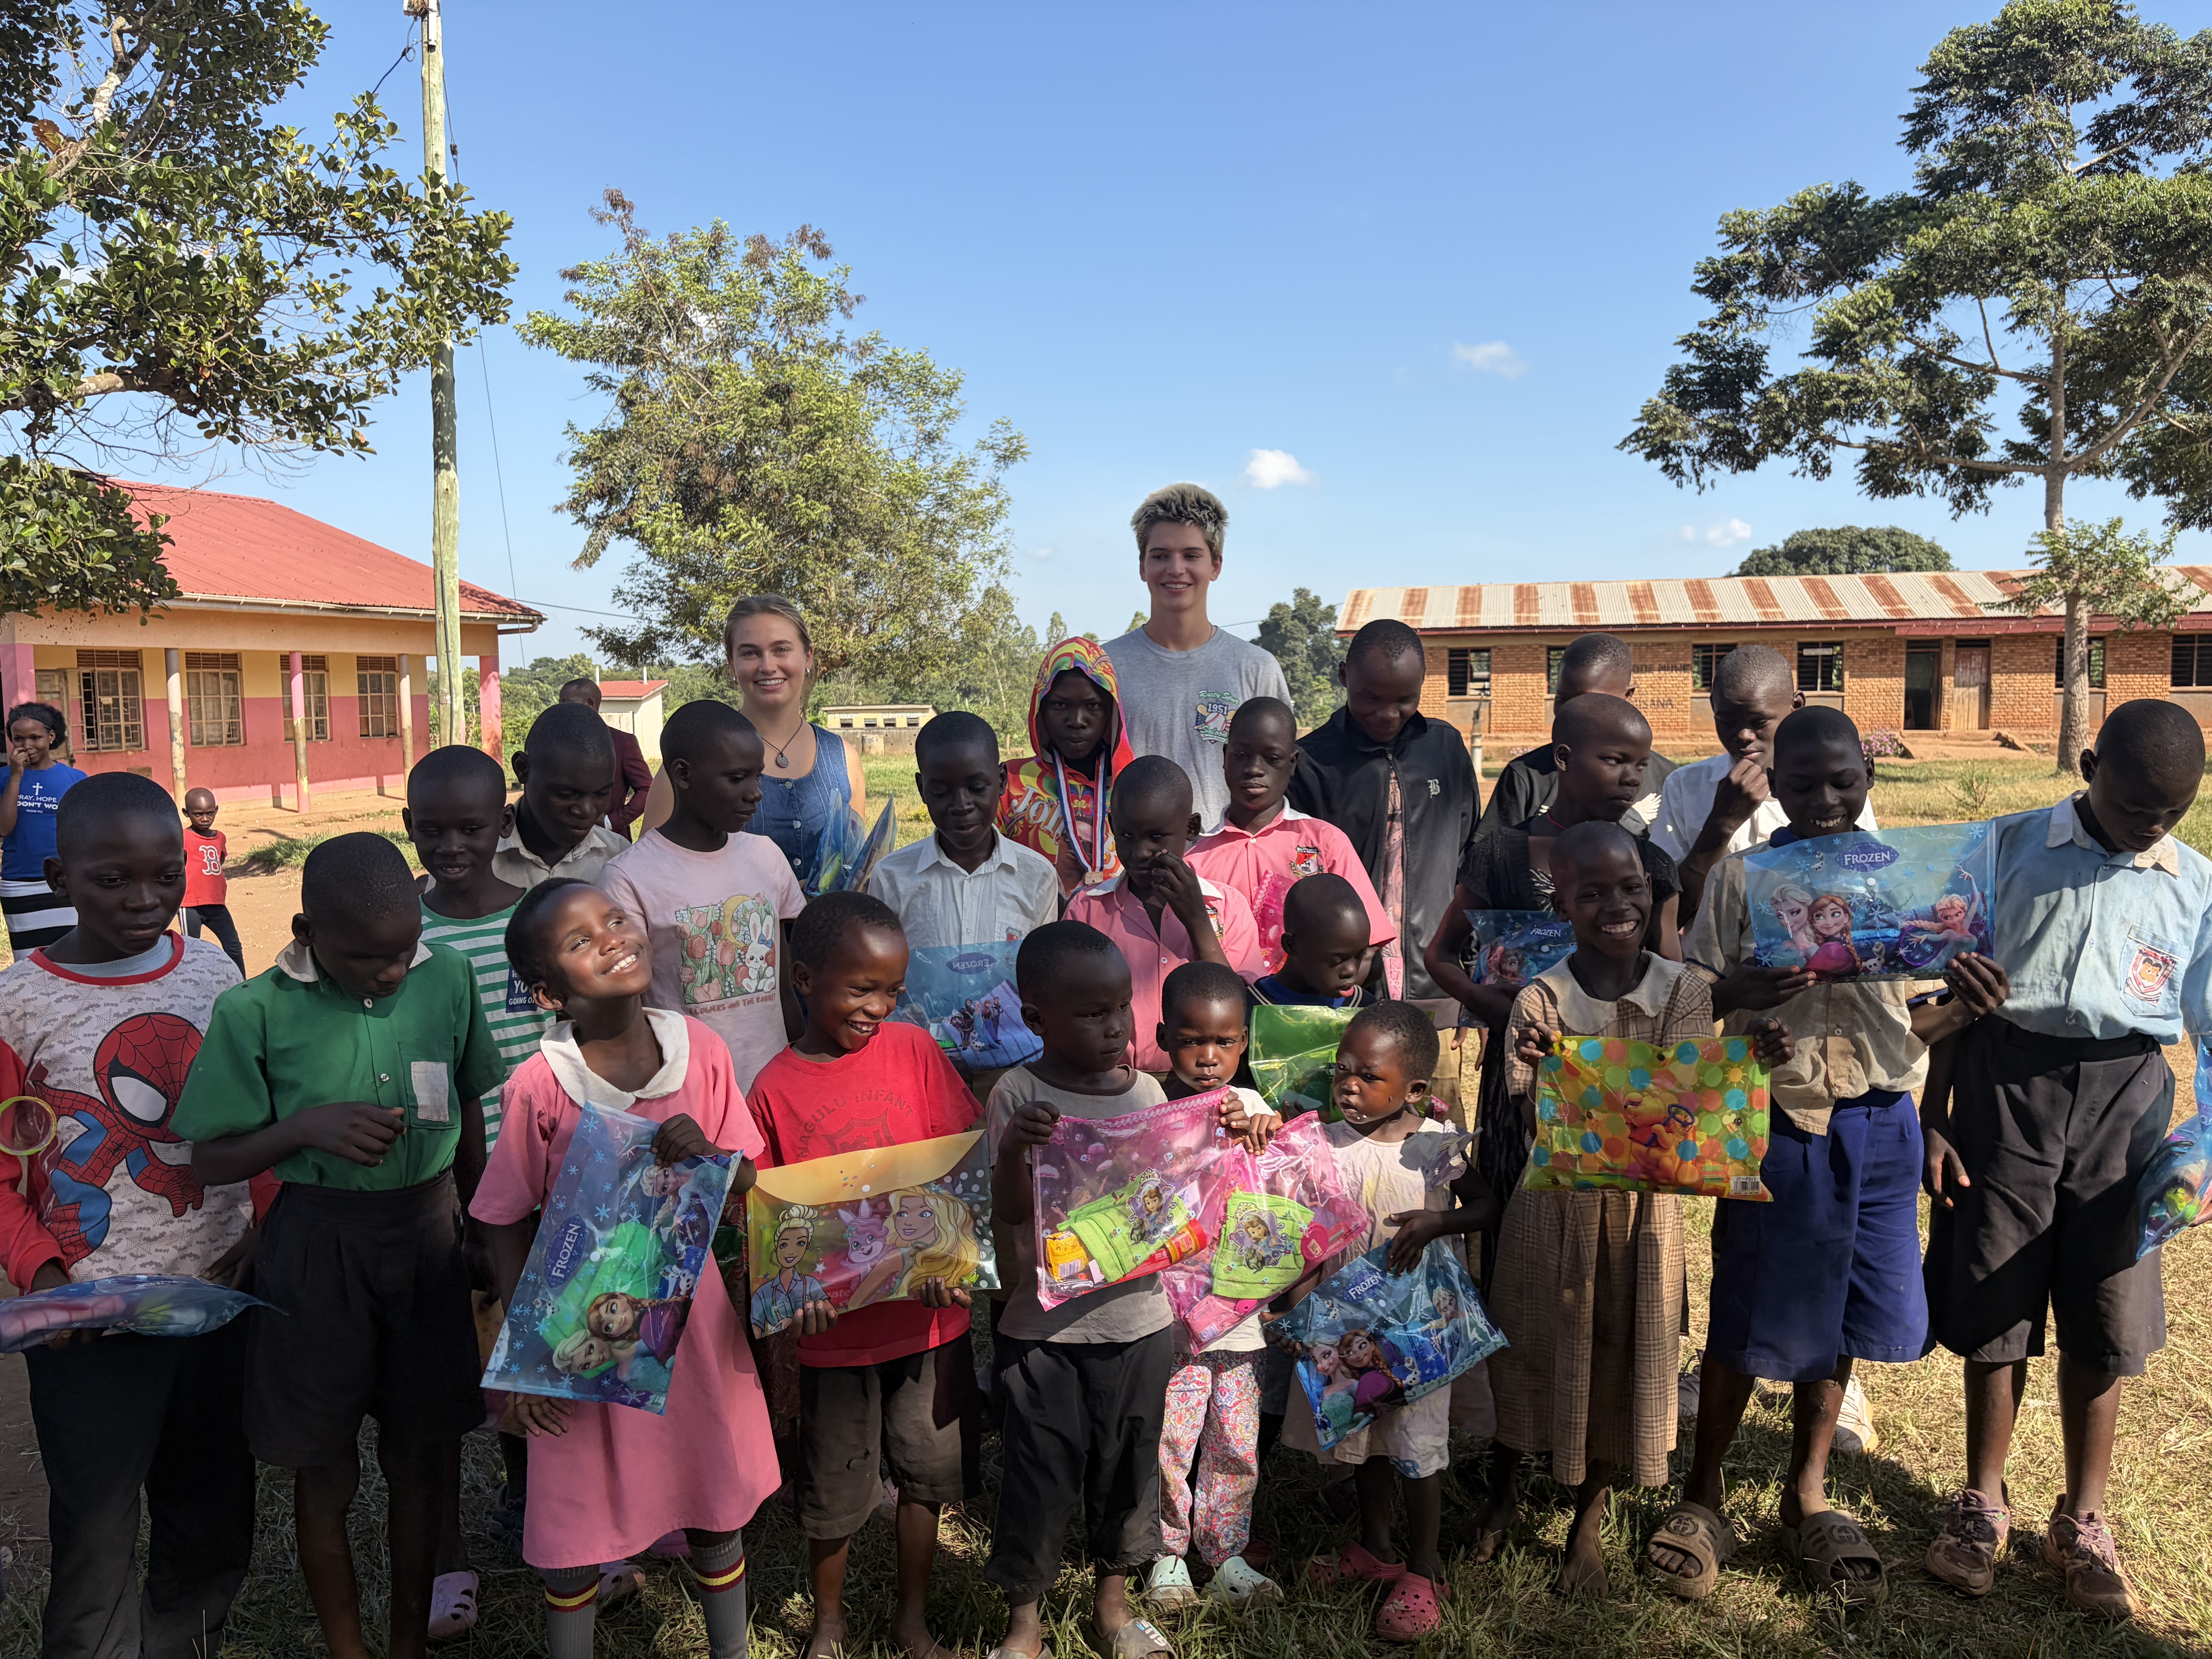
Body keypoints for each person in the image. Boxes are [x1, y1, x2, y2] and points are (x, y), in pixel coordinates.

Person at [1652, 705, 2011, 1605]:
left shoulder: (1907, 884)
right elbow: (1693, 1000)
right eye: (1802, 781)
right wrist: (1737, 992)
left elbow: (1910, 1023)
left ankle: (1806, 1490)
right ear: (1772, 786)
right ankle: (1705, 1490)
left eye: (1842, 781)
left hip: (1881, 1122)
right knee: (1748, 1303)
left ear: (1870, 781)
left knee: (1846, 1306)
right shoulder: (1744, 883)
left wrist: (1965, 1004)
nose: (1824, 798)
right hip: (1782, 1121)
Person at [1919, 698, 2212, 1620]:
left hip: (2128, 1101)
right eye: (2135, 809)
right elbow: (1943, 991)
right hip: (2007, 1083)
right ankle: (1983, 1503)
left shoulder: (2194, 884)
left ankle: (2083, 1518)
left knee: (2105, 1309)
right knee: (1994, 1297)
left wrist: (2206, 1146)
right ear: (2090, 766)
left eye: (2173, 813)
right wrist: (1933, 1116)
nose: (2151, 829)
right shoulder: (2005, 850)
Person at [175, 831, 501, 1659]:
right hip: (316, 1245)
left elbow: (467, 1110)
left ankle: (405, 1645)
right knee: (323, 1467)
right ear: (306, 930)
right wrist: (304, 1129)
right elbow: (209, 1155)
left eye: (402, 952)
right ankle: (347, 1649)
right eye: (367, 959)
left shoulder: (447, 977)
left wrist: (482, 1225)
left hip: (427, 1236)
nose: (392, 973)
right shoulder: (253, 1010)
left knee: (420, 1458)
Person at [1472, 821, 1774, 1597]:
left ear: (1652, 891)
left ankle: (1588, 1518)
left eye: (1631, 887)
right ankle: (1503, 1491)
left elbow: (1694, 1112)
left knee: (1622, 1355)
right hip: (1550, 1216)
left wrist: (1741, 1073)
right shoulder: (1540, 999)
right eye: (1592, 893)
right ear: (1561, 905)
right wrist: (1619, 1089)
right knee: (1527, 1344)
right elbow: (1545, 1111)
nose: (1617, 904)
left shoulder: (1684, 992)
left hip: (1643, 1225)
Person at [472, 879, 770, 1659]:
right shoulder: (540, 1085)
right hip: (579, 1330)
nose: (611, 939)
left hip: (691, 1317)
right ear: (548, 993)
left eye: (614, 921)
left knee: (711, 1488)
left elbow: (748, 1184)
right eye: (580, 942)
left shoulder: (699, 1050)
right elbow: (503, 1218)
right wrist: (523, 1356)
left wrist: (708, 1154)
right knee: (575, 1510)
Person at [0, 771, 261, 1659]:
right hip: (89, 1332)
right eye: (112, 879)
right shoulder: (17, 1002)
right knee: (97, 1537)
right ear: (57, 879)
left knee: (213, 1515)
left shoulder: (214, 971)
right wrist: (41, 1273)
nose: (145, 899)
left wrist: (259, 1235)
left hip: (216, 1306)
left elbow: (253, 1118)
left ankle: (184, 1644)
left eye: (164, 875)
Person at [744, 892, 983, 1659]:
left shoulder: (915, 1053)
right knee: (836, 1489)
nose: (879, 1006)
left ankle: (912, 1621)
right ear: (805, 978)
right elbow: (768, 1214)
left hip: (926, 1320)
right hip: (835, 1339)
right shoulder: (774, 1087)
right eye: (861, 989)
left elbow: (956, 1164)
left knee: (926, 1477)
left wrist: (955, 1264)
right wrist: (794, 1295)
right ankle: (830, 1624)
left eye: (892, 990)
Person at [1425, 694, 1682, 1258]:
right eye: (1615, 760)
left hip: (1623, 1079)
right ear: (1564, 758)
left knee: (1617, 1241)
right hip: (1522, 1076)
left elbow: (1672, 979)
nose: (1632, 778)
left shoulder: (1652, 866)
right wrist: (1490, 1004)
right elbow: (1440, 953)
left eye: (1641, 765)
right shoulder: (1503, 855)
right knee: (1524, 1231)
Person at [984, 921, 1179, 1659]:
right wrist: (1014, 1148)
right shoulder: (1018, 1094)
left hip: (1138, 1320)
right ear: (1037, 1018)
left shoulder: (1150, 1089)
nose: (1113, 1027)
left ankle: (1113, 1609)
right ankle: (1023, 1624)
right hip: (1043, 1331)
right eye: (1091, 1013)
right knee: (1037, 1470)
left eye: (1120, 1007)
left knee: (1128, 1464)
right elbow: (1007, 1211)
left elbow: (1164, 1201)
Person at [1279, 1001, 1494, 1642]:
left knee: (1416, 1448)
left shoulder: (1434, 1146)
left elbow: (1484, 1204)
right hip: (1348, 1320)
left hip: (1417, 1325)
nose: (1348, 1085)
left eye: (1367, 1075)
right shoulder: (1323, 1144)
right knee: (1366, 1433)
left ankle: (1424, 1569)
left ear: (1415, 1089)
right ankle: (1374, 1545)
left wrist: (1439, 1220)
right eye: (1341, 1071)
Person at [403, 742, 543, 1629]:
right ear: (408, 828)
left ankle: (543, 1508)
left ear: (505, 822)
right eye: (432, 829)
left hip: (544, 1176)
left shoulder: (536, 921)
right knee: (453, 1367)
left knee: (544, 1351)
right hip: (444, 1184)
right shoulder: (402, 933)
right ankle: (450, 1553)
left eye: (472, 827)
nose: (452, 845)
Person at [1145, 960, 1284, 1611]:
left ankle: (1226, 1551)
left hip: (1239, 1317)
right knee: (1172, 1434)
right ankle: (1165, 1553)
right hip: (1170, 1314)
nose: (1207, 1056)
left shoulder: (1254, 1108)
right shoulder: (1146, 1107)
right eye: (1191, 1039)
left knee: (1235, 1436)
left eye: (1224, 1041)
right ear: (1162, 1035)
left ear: (1245, 1042)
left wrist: (1263, 1135)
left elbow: (1282, 1189)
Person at [600, 699, 806, 1093]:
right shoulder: (628, 878)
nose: (756, 793)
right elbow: (628, 1009)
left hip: (772, 1089)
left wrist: (798, 1073)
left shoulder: (765, 857)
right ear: (683, 774)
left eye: (757, 777)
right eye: (737, 778)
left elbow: (783, 988)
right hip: (689, 1097)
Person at [1288, 620, 1478, 1008]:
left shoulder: (1446, 749)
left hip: (1437, 984)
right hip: (1345, 996)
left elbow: (1471, 863)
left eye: (1405, 699)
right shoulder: (1310, 763)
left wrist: (1470, 973)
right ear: (1344, 676)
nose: (1389, 715)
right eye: (1371, 699)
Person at [1103, 484, 1292, 834]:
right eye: (1160, 556)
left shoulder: (1256, 669)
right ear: (1143, 566)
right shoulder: (1106, 669)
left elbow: (1281, 781)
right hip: (1131, 869)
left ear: (1216, 565)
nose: (1176, 569)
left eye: (1191, 555)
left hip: (1231, 872)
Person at [644, 596, 869, 887]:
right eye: (750, 653)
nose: (767, 666)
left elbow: (852, 868)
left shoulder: (844, 758)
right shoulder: (693, 759)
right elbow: (650, 874)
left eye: (782, 650)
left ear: (809, 656)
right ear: (732, 664)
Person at [1647, 644, 1877, 923]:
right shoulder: (1685, 786)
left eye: (1759, 721)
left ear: (1796, 707)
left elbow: (1866, 884)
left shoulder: (1839, 791)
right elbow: (1668, 914)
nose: (1743, 735)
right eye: (1727, 721)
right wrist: (1721, 824)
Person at [1064, 756, 1262, 1073]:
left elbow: (1239, 1008)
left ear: (1191, 828)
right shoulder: (1088, 910)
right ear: (1113, 827)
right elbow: (1073, 1011)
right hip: (1113, 1089)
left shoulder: (1227, 908)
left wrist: (1197, 920)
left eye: (1157, 837)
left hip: (1203, 1085)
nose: (1141, 852)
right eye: (1127, 836)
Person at [1190, 697, 1393, 977]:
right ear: (1225, 757)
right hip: (1227, 1015)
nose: (1254, 769)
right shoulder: (1195, 862)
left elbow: (1366, 948)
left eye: (1272, 758)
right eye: (1241, 755)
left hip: (1308, 1014)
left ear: (1293, 762)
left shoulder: (1325, 844)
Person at [867, 709, 1059, 949]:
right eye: (941, 792)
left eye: (977, 788)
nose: (962, 806)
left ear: (1001, 781)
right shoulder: (892, 878)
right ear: (922, 789)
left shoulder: (1037, 876)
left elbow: (1040, 971)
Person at [1478, 634, 1675, 835]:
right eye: (1562, 700)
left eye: (1588, 701)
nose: (1570, 712)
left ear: (1627, 696)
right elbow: (1491, 857)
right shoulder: (1528, 776)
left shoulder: (1670, 781)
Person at [999, 635, 1139, 895]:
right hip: (1032, 931)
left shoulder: (1135, 786)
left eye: (1093, 705)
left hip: (1117, 931)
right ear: (1040, 710)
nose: (1077, 721)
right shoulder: (1009, 784)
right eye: (1060, 705)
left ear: (1112, 711)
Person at [496, 701, 629, 890]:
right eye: (566, 794)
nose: (586, 811)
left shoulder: (621, 860)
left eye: (601, 794)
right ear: (523, 769)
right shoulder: (469, 862)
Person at [0, 702, 86, 955]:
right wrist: (16, 777)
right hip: (19, 881)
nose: (26, 745)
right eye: (19, 739)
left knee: (71, 953)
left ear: (51, 737)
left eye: (35, 738)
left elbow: (85, 831)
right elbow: (4, 829)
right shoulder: (4, 778)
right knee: (28, 957)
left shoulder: (75, 779)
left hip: (65, 879)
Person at [1250, 874, 1374, 1008]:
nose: (1352, 970)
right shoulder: (1248, 1010)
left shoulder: (1365, 1010)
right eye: (1337, 960)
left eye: (1360, 955)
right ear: (1292, 946)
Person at [558, 677, 654, 838]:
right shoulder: (556, 741)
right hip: (564, 841)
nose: (561, 711)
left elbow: (647, 789)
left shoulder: (622, 742)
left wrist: (612, 822)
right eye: (560, 705)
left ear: (591, 703)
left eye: (567, 704)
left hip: (609, 842)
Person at [180, 786, 246, 977]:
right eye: (198, 814)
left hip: (216, 904)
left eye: (210, 813)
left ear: (216, 810)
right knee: (191, 951)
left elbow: (219, 862)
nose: (205, 818)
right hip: (190, 905)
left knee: (234, 947)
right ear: (187, 813)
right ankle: (191, 985)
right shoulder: (182, 837)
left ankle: (242, 984)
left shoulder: (220, 838)